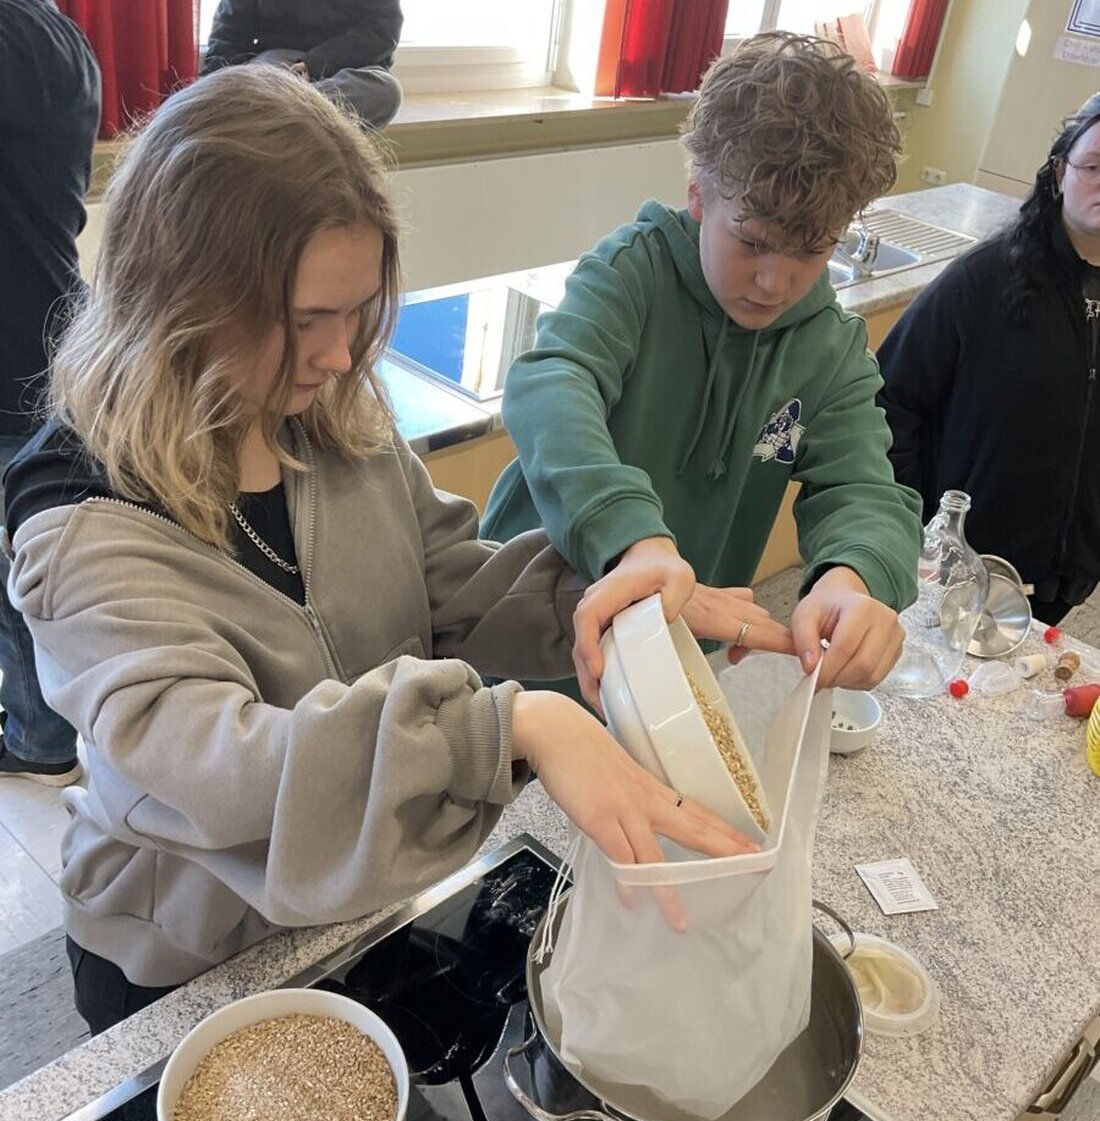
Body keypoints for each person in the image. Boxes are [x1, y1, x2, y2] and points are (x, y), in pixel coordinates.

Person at [2, 65, 756, 1035]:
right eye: (307, 321)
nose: (339, 354)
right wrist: (503, 725)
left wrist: (608, 598)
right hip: (185, 953)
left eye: (356, 314)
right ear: (182, 296)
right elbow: (227, 769)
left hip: (357, 888)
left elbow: (449, 574)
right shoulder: (78, 518)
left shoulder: (320, 410)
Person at [480, 33, 922, 710]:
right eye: (752, 242)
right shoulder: (632, 273)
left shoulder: (829, 347)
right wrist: (634, 538)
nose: (775, 281)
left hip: (662, 661)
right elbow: (552, 384)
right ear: (698, 194)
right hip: (520, 634)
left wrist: (853, 577)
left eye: (810, 251)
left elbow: (866, 489)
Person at [878, 93, 1100, 628]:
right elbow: (887, 399)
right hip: (958, 568)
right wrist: (925, 526)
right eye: (1095, 167)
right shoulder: (985, 279)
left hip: (1066, 575)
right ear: (1058, 173)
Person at [0, 0, 99, 786]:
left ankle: (38, 739)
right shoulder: (59, 34)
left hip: (13, 349)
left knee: (18, 570)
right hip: (52, 329)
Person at [201, 0, 403, 130]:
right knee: (257, 81)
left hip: (351, 69)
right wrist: (213, 89)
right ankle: (278, 113)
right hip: (279, 64)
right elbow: (229, 33)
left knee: (387, 92)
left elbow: (382, 32)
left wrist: (313, 64)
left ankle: (270, 111)